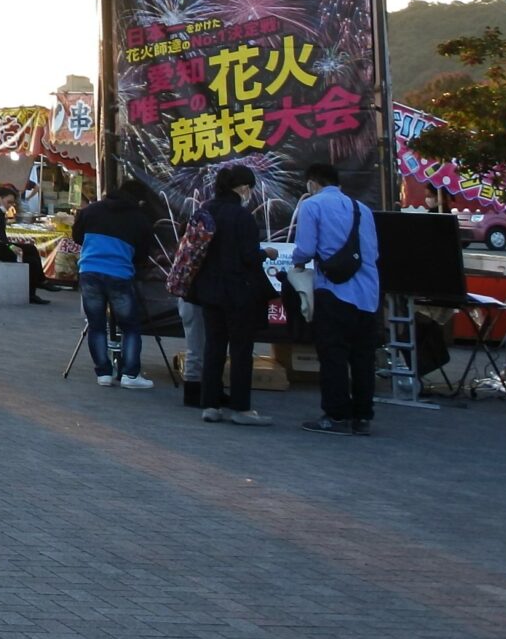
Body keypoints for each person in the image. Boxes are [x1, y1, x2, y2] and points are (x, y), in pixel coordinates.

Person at [169, 164, 272, 426]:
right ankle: (240, 408)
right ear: (243, 188)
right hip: (238, 292)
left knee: (213, 347)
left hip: (207, 291)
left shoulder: (204, 211)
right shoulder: (242, 217)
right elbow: (249, 257)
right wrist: (266, 254)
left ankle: (210, 404)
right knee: (240, 350)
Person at [291, 163, 382, 435]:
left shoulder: (312, 206)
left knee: (333, 356)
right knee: (363, 358)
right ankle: (363, 417)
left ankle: (336, 416)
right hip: (368, 294)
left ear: (312, 183)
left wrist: (295, 263)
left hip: (334, 291)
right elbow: (373, 252)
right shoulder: (362, 209)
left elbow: (305, 249)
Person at [74, 181, 159, 388]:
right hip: (119, 274)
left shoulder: (91, 210)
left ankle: (103, 373)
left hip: (89, 271)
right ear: (138, 199)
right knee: (130, 326)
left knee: (96, 325)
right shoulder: (140, 219)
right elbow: (142, 255)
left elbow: (77, 236)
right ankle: (130, 374)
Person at [0, 185, 50, 305]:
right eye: (9, 202)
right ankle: (34, 290)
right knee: (31, 261)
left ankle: (40, 281)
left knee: (31, 248)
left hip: (0, 245)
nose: (10, 205)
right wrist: (10, 246)